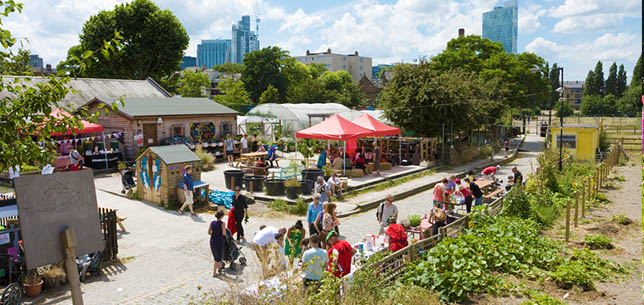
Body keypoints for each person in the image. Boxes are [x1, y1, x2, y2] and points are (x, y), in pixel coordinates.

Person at [207, 210, 226, 277]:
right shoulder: (222, 223)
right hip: (219, 241)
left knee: (216, 256)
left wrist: (214, 234)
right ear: (221, 216)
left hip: (212, 240)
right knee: (217, 258)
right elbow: (224, 233)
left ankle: (219, 269)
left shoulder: (212, 222)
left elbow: (209, 232)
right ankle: (214, 273)